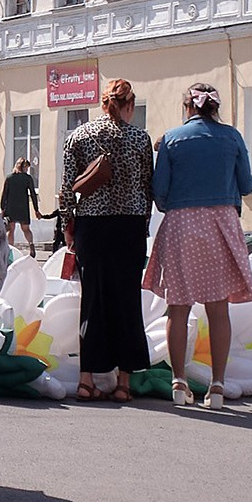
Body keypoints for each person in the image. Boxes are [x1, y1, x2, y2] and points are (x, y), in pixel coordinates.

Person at [145, 82, 252, 410]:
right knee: (218, 309)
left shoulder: (172, 139)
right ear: (215, 107)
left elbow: (159, 190)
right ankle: (217, 386)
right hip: (221, 222)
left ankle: (179, 382)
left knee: (177, 308)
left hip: (181, 223)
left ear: (187, 107)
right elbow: (247, 185)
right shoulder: (232, 137)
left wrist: (177, 203)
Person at [56, 79, 154, 401]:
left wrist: (68, 225)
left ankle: (87, 380)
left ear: (102, 103)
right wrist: (144, 224)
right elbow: (147, 189)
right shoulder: (140, 139)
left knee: (93, 301)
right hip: (129, 228)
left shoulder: (79, 136)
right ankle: (124, 382)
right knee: (126, 301)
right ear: (130, 105)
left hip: (92, 228)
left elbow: (67, 186)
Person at [0, 155, 43, 257]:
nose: (27, 170)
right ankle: (31, 245)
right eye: (26, 168)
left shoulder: (9, 178)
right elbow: (33, 194)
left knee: (11, 229)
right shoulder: (28, 178)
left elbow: (4, 194)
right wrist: (36, 210)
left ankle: (10, 251)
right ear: (23, 167)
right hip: (23, 207)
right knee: (26, 229)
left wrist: (2, 208)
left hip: (11, 207)